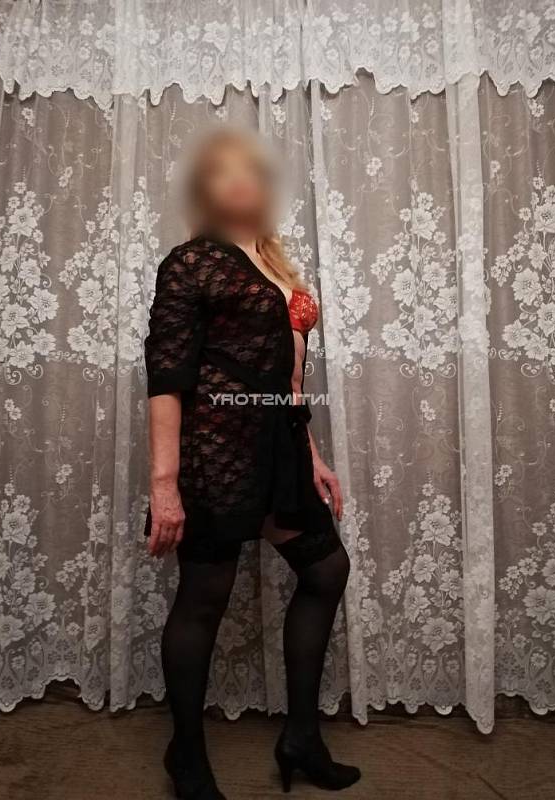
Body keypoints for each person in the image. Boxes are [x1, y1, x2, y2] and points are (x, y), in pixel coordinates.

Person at [144, 127, 360, 800]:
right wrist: (165, 485)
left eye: (251, 170)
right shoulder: (192, 261)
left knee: (326, 569)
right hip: (218, 452)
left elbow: (286, 380)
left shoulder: (273, 263)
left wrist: (310, 454)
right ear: (204, 189)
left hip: (278, 447)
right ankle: (185, 755)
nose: (240, 179)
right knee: (204, 596)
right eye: (223, 170)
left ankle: (301, 738)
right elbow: (167, 377)